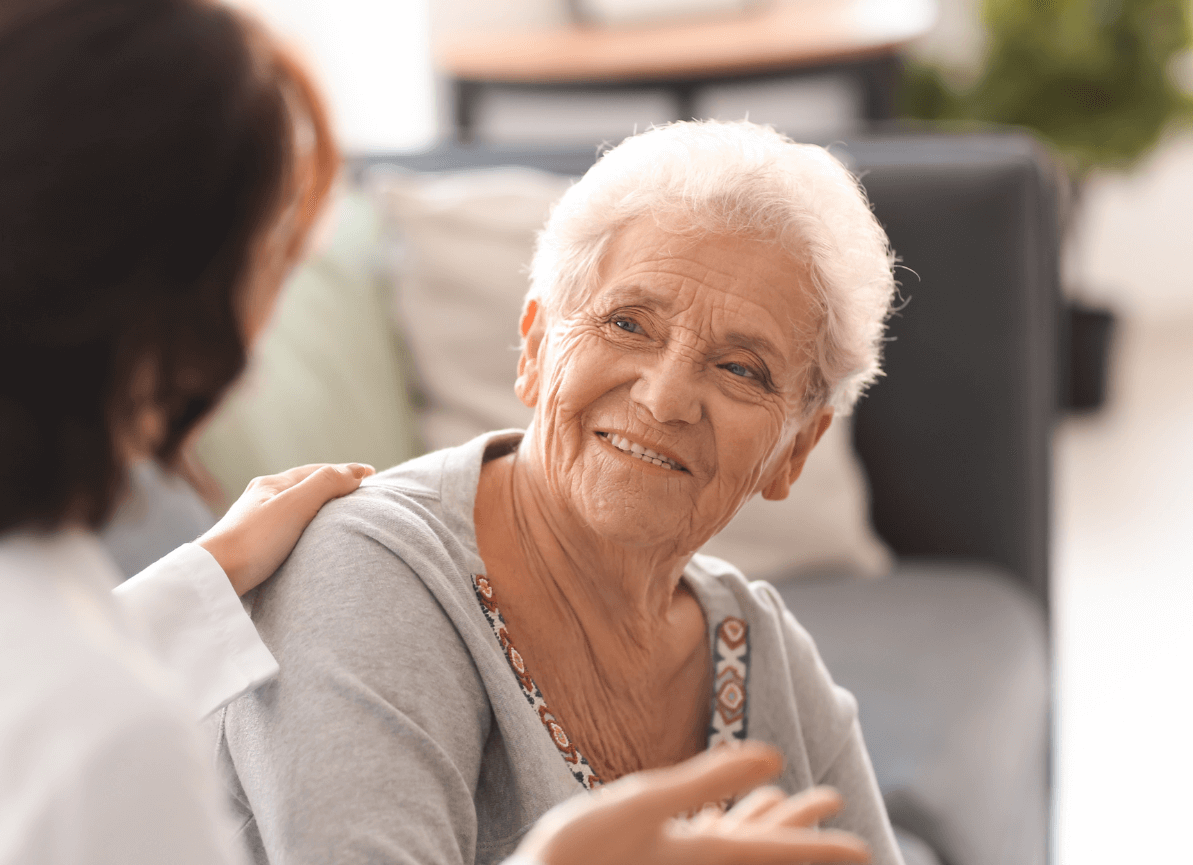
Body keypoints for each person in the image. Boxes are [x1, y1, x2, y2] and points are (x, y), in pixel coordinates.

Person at [0, 0, 871, 865]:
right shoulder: (92, 742)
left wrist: (194, 583)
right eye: (279, 248)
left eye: (742, 367)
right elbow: (17, 731)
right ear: (203, 318)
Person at [217, 119, 906, 865]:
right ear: (538, 348)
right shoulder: (366, 573)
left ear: (794, 451)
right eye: (629, 323)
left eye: (742, 369)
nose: (666, 396)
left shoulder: (760, 650)